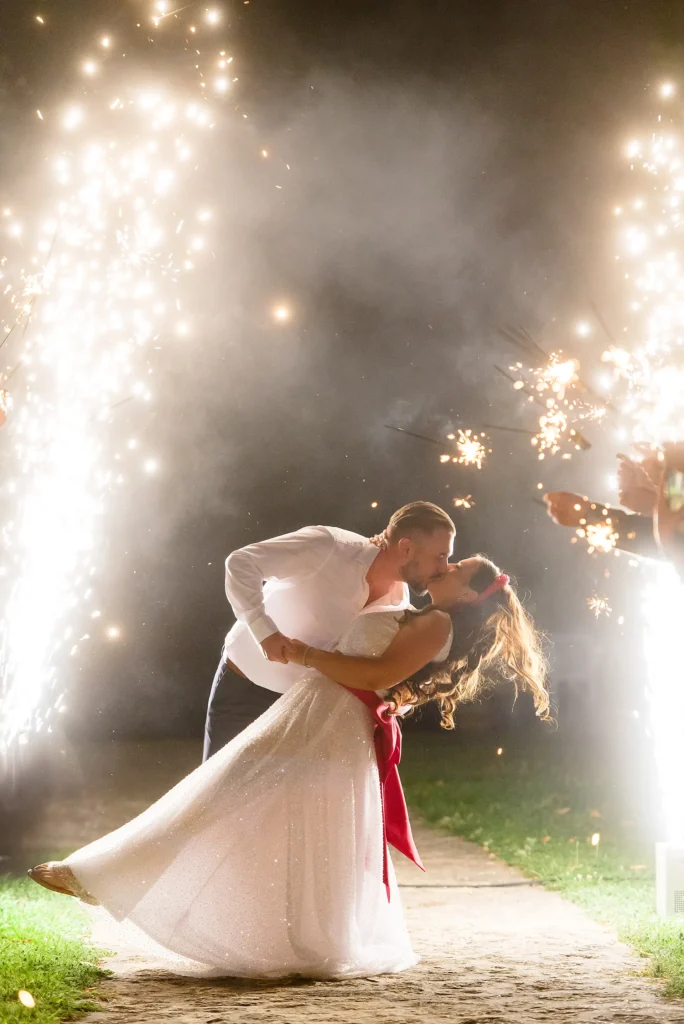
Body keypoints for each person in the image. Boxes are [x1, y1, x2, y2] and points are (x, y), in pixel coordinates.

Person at [28, 555, 548, 980]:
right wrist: (394, 697)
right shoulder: (422, 614)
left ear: (466, 592)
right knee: (259, 805)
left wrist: (303, 655)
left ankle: (97, 875)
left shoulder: (437, 623)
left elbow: (379, 672)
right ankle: (280, 932)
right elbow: (394, 680)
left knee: (227, 788)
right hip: (320, 713)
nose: (448, 564)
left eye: (458, 567)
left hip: (330, 720)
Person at [203, 501, 456, 760]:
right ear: (406, 547)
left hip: (306, 715)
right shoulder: (329, 546)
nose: (445, 567)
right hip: (246, 691)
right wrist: (264, 631)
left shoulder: (400, 605)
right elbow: (242, 563)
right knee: (217, 797)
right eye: (441, 556)